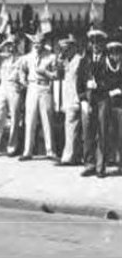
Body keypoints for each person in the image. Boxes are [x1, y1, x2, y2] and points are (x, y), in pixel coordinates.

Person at [18, 32, 59, 161]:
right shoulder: (26, 58)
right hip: (32, 87)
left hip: (45, 87)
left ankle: (50, 151)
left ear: (43, 43)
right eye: (35, 43)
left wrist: (46, 73)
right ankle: (27, 151)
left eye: (39, 43)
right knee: (30, 119)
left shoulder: (51, 57)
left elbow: (56, 75)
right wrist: (23, 81)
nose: (37, 45)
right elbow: (21, 71)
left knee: (47, 119)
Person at [79, 29, 113, 177]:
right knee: (88, 132)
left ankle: (101, 166)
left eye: (98, 42)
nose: (95, 45)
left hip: (102, 99)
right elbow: (79, 81)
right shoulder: (84, 60)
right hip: (88, 99)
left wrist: (99, 85)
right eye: (92, 42)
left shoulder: (109, 60)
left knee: (102, 131)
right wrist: (82, 99)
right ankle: (89, 164)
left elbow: (114, 81)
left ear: (102, 44)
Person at [56, 34, 83, 166]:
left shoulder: (79, 60)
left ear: (74, 47)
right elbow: (58, 74)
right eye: (64, 48)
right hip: (67, 99)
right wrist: (60, 59)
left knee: (71, 128)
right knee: (71, 129)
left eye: (67, 48)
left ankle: (68, 157)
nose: (65, 50)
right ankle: (74, 156)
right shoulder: (67, 60)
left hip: (75, 98)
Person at [103, 39, 122, 173]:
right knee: (109, 132)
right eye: (112, 53)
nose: (115, 55)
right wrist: (108, 91)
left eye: (117, 52)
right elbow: (102, 81)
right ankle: (110, 158)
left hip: (120, 104)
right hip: (108, 103)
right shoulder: (105, 65)